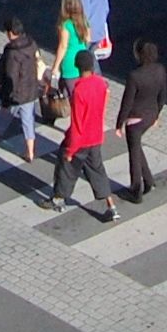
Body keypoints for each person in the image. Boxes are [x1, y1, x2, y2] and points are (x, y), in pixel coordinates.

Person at [36, 58, 120, 222]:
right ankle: (112, 207)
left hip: (81, 139)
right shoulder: (101, 83)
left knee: (65, 167)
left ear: (77, 67)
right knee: (97, 171)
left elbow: (77, 123)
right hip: (96, 136)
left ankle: (58, 199)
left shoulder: (79, 89)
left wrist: (70, 150)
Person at [119, 37, 167, 201]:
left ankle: (136, 189)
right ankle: (148, 181)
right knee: (137, 146)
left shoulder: (134, 76)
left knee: (133, 151)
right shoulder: (160, 70)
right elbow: (163, 97)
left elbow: (127, 102)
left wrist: (120, 123)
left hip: (135, 118)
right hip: (151, 114)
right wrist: (156, 115)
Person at [0, 19, 44, 163]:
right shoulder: (31, 43)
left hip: (16, 94)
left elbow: (10, 76)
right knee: (28, 121)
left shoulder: (12, 52)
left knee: (4, 116)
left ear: (10, 33)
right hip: (31, 89)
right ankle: (30, 152)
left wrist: (5, 94)